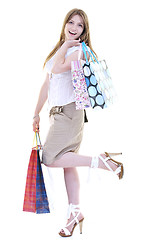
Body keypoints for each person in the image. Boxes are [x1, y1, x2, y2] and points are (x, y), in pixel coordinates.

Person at [33, 8, 124, 237]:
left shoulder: (77, 50)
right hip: (57, 114)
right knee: (67, 164)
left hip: (70, 113)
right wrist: (36, 113)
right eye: (71, 23)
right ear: (64, 24)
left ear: (84, 31)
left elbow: (57, 68)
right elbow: (47, 82)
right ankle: (75, 213)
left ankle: (101, 161)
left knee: (50, 158)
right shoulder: (59, 50)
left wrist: (66, 43)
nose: (74, 28)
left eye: (79, 25)